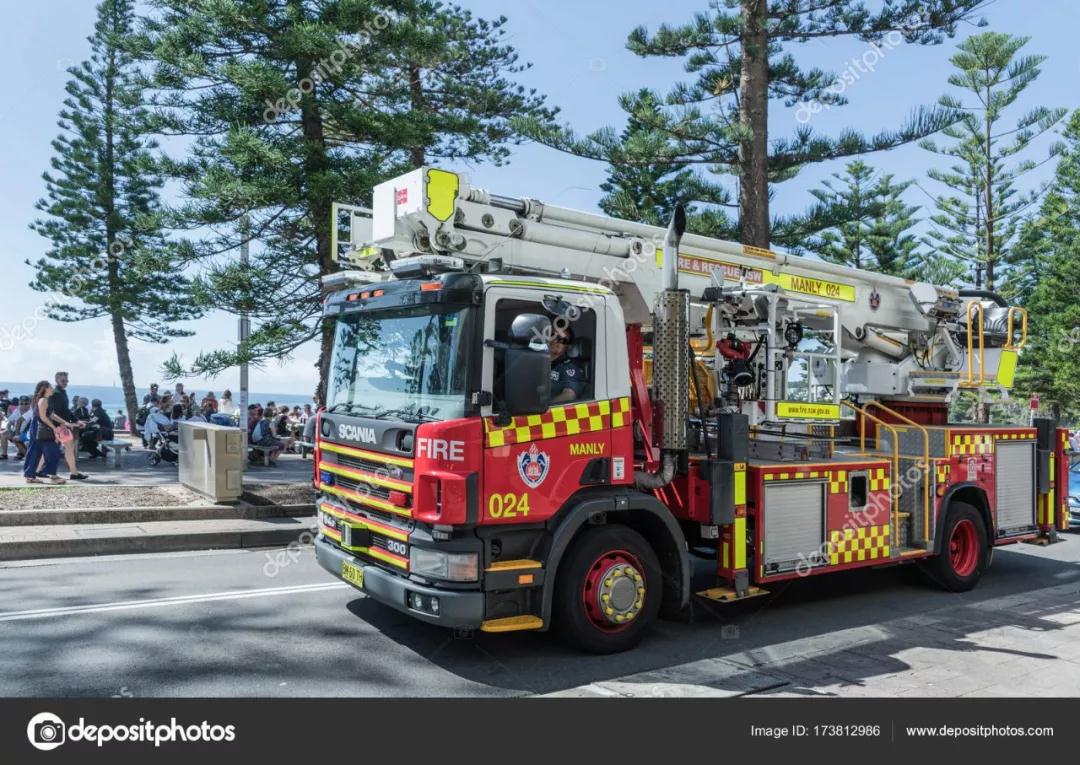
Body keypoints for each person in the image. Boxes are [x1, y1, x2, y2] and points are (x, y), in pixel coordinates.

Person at [23, 380, 72, 484]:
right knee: (53, 451)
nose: (52, 389)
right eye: (50, 387)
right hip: (42, 429)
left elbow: (51, 414)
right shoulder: (43, 400)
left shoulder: (45, 400)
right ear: (45, 389)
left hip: (37, 428)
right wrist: (54, 427)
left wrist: (64, 422)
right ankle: (52, 476)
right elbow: (43, 417)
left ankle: (30, 476)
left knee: (34, 452)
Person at [52, 372, 88, 480]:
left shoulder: (61, 392)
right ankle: (73, 473)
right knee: (65, 449)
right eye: (63, 380)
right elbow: (56, 412)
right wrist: (64, 423)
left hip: (61, 426)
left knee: (64, 449)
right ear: (56, 381)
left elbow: (66, 410)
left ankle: (74, 473)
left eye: (66, 380)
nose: (65, 382)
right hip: (60, 426)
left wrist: (76, 420)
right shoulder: (57, 393)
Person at [548, 324, 587, 403]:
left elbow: (569, 395)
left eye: (561, 340)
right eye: (552, 336)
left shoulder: (569, 367)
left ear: (568, 347)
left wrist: (544, 407)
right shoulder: (539, 362)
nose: (555, 340)